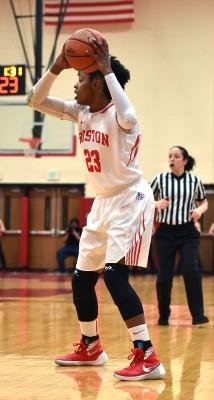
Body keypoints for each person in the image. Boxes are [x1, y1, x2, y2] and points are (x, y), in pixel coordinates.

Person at [26, 37, 165, 381]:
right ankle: (91, 345)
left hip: (130, 199)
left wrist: (105, 69)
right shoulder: (81, 113)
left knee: (116, 275)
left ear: (98, 82)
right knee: (81, 280)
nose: (75, 84)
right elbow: (34, 100)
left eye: (80, 79)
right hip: (102, 202)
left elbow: (129, 113)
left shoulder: (121, 116)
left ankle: (147, 355)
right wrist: (57, 67)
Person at [151, 146, 209, 326]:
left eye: (176, 156)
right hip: (165, 232)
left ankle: (198, 316)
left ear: (184, 161)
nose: (172, 159)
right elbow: (141, 198)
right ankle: (163, 315)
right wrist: (156, 203)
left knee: (191, 270)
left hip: (187, 232)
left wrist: (199, 210)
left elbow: (204, 202)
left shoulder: (194, 181)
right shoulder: (159, 179)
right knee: (164, 275)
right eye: (170, 156)